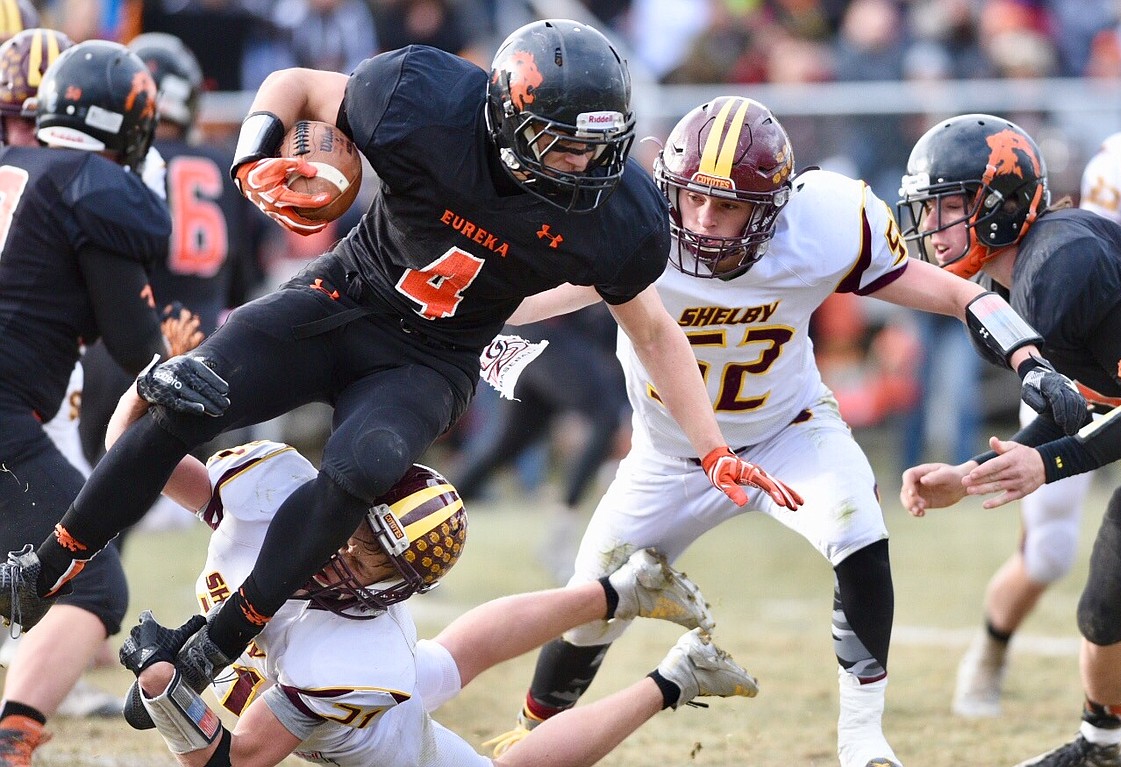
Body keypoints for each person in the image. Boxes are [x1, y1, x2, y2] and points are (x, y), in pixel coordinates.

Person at [0, 18, 798, 716]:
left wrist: (713, 446)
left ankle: (220, 639)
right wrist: (255, 158)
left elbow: (653, 329)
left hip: (433, 357)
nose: (585, 164)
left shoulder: (620, 216)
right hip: (343, 297)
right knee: (190, 397)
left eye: (601, 147)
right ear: (507, 118)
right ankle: (43, 569)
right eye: (566, 143)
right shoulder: (422, 98)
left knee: (363, 465)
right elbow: (296, 83)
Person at [486, 97, 1088, 767]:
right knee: (588, 602)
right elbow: (514, 296)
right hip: (669, 454)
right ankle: (530, 736)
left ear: (772, 207)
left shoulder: (823, 224)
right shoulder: (637, 227)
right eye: (693, 201)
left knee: (859, 522)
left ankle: (863, 741)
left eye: (729, 207)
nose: (704, 222)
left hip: (787, 431)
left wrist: (1027, 357)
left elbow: (954, 292)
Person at [104, 383, 757, 767]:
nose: (354, 564)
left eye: (381, 567)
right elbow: (129, 457)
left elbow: (238, 758)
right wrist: (149, 387)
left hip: (367, 726)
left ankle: (677, 676)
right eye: (360, 537)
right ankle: (625, 589)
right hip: (311, 674)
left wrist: (167, 693)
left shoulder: (354, 651)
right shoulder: (268, 497)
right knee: (458, 652)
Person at [898, 114, 1121, 767]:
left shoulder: (1061, 261)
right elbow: (1075, 402)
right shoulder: (1000, 298)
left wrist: (1046, 465)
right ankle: (1104, 747)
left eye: (948, 204)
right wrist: (971, 475)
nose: (931, 225)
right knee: (1109, 601)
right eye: (928, 206)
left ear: (1000, 200)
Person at [0, 37, 209, 764]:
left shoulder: (15, 168)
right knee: (89, 582)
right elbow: (132, 344)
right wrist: (172, 366)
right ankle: (12, 738)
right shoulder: (93, 185)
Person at [78, 31, 261, 475]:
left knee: (89, 477)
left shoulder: (124, 165)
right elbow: (242, 273)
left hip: (132, 342)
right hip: (210, 346)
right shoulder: (221, 163)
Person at [453, 303, 628, 582]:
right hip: (545, 329)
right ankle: (560, 537)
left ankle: (431, 515)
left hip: (539, 334)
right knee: (604, 417)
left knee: (507, 445)